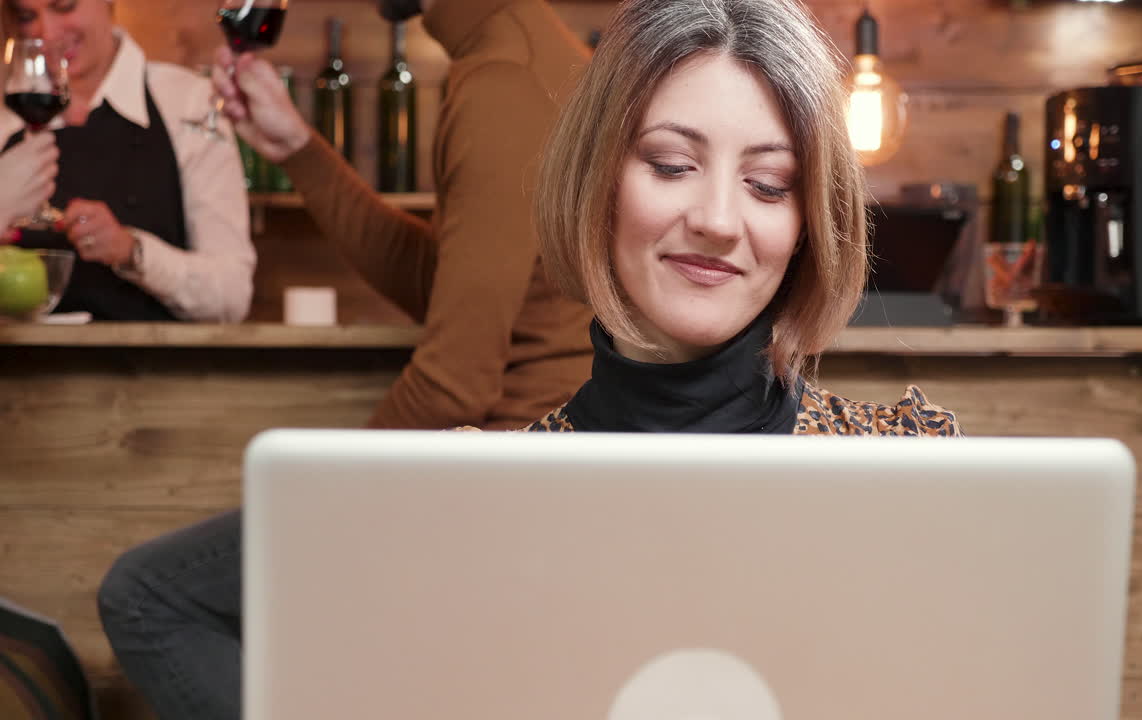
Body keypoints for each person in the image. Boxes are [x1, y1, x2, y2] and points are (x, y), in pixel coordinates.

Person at [97, 1, 593, 718]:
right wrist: (301, 149)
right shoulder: (516, 47)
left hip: (510, 478)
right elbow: (454, 281)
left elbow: (456, 382)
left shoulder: (501, 79)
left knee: (147, 596)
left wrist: (321, 498)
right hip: (526, 466)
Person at [498, 0, 963, 436]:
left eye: (768, 184)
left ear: (808, 227)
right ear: (594, 184)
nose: (718, 222)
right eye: (672, 165)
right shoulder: (493, 491)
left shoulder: (908, 455)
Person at [0, 0, 254, 322]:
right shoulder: (6, 118)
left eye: (64, 6)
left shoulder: (190, 104)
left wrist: (132, 251)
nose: (46, 33)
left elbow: (231, 298)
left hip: (155, 369)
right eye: (26, 16)